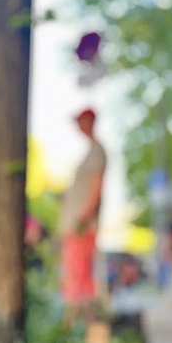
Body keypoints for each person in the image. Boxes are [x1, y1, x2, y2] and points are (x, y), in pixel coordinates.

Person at [59, 108, 107, 317]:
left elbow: (97, 186)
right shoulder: (90, 151)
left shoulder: (97, 151)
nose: (78, 126)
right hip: (77, 222)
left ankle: (80, 315)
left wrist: (83, 216)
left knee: (79, 271)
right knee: (74, 269)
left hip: (82, 224)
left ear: (89, 122)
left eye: (80, 121)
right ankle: (80, 314)